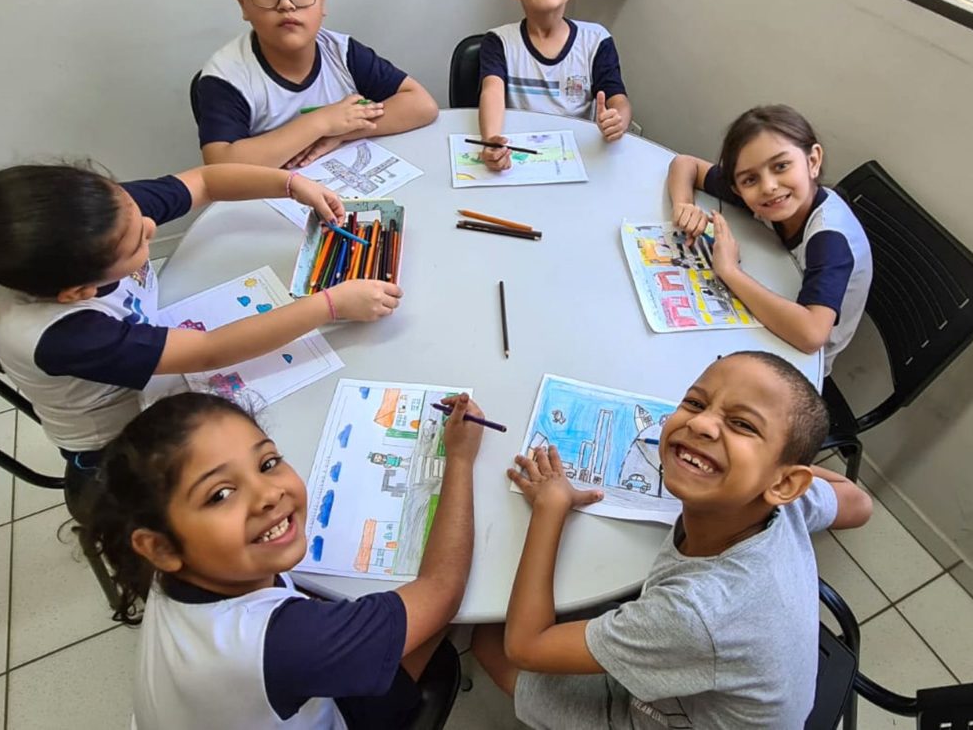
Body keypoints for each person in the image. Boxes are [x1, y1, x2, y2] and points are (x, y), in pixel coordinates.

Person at [0, 162, 401, 491]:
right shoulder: (66, 334)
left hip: (157, 374)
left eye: (136, 216)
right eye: (135, 245)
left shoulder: (103, 219)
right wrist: (329, 305)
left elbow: (207, 181)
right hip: (114, 444)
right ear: (77, 291)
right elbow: (210, 351)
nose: (148, 226)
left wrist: (292, 185)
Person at [472, 351, 873, 728]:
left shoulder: (694, 614)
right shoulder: (786, 500)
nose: (700, 424)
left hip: (669, 710)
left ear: (786, 483)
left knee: (487, 638)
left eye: (743, 425)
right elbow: (858, 505)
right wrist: (761, 471)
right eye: (696, 403)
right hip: (726, 679)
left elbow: (526, 647)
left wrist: (550, 509)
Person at [79, 390, 485, 730]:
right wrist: (461, 459)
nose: (269, 494)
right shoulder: (288, 642)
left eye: (268, 463)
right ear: (160, 547)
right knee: (444, 613)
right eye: (220, 494)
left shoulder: (170, 571)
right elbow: (442, 589)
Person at [195, 0, 438, 170]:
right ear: (242, 3)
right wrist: (321, 122)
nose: (286, 4)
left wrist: (342, 132)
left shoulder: (341, 52)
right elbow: (221, 164)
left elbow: (421, 104)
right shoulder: (227, 76)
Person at [667, 105, 872, 373]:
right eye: (750, 179)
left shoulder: (829, 239)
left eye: (781, 166)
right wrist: (684, 205)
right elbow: (686, 164)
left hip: (799, 361)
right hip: (772, 300)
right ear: (737, 189)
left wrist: (729, 271)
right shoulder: (767, 199)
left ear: (812, 161)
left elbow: (811, 335)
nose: (768, 186)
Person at [477, 0, 631, 171]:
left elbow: (619, 101)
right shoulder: (498, 42)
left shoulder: (596, 41)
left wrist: (618, 120)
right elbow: (491, 92)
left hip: (575, 160)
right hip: (517, 161)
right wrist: (491, 142)